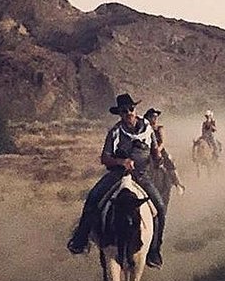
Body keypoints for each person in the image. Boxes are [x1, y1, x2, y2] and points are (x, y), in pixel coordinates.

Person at [67, 94, 167, 269]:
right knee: (93, 198)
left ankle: (154, 250)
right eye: (124, 111)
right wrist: (122, 162)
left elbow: (153, 151)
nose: (128, 113)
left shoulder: (148, 129)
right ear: (119, 114)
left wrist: (158, 157)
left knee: (159, 206)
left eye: (131, 109)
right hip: (118, 174)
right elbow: (105, 158)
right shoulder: (115, 132)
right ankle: (80, 239)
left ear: (135, 110)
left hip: (141, 175)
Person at [143, 108, 186, 195]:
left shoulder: (159, 128)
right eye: (152, 117)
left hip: (159, 150)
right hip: (147, 151)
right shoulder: (144, 129)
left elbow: (162, 142)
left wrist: (157, 150)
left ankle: (177, 183)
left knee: (169, 164)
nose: (154, 119)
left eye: (155, 117)